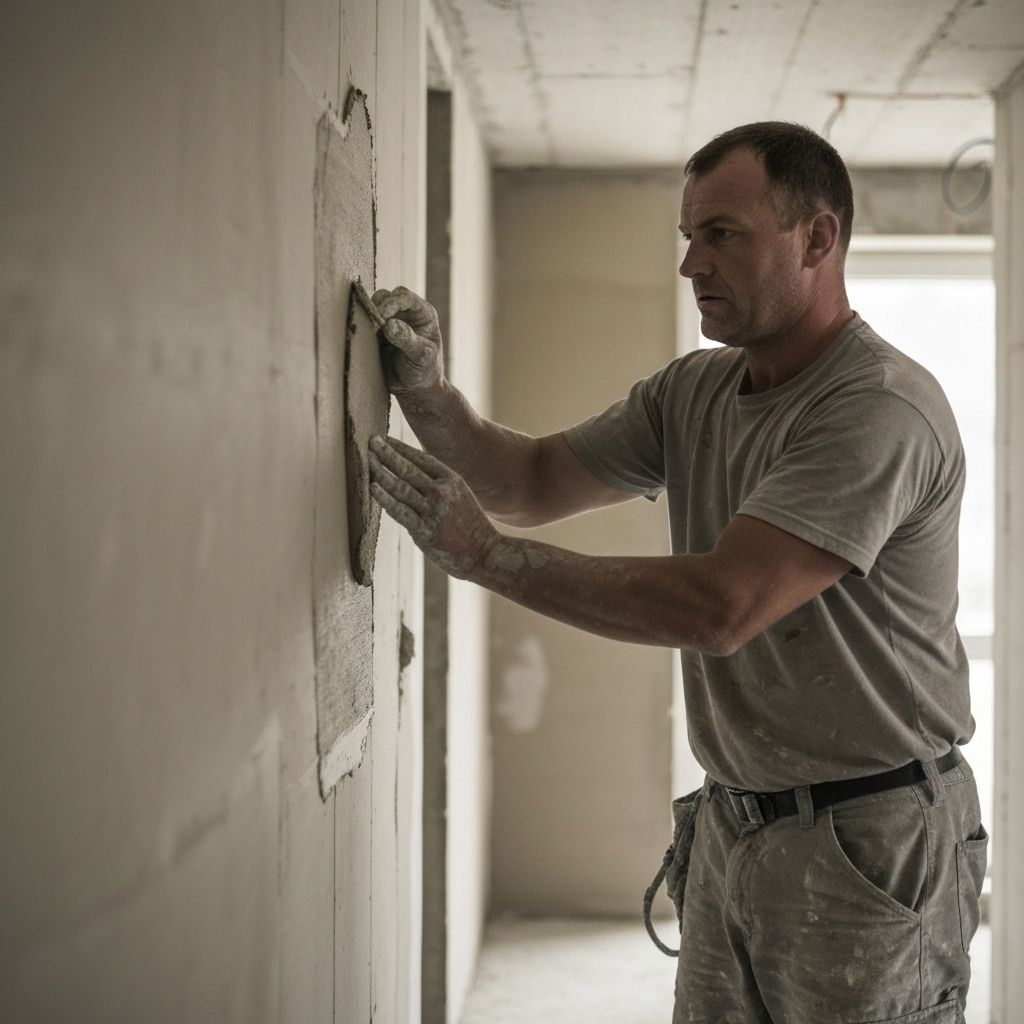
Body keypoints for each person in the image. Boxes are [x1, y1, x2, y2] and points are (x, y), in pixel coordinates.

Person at [366, 122, 987, 1024]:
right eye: (687, 237)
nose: (692, 264)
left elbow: (723, 605)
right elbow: (530, 479)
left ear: (817, 239)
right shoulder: (693, 392)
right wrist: (425, 391)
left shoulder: (878, 409)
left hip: (871, 837)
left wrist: (486, 558)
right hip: (738, 824)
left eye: (722, 235)